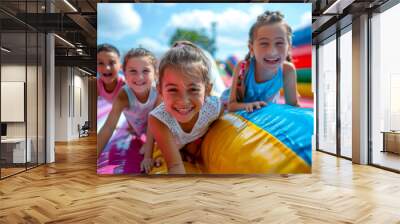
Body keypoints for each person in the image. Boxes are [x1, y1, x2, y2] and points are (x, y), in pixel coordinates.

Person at [148, 41, 224, 174]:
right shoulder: (159, 120)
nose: (183, 101)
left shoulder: (214, 108)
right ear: (160, 90)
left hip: (192, 142)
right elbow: (175, 166)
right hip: (168, 145)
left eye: (193, 89)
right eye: (173, 90)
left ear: (207, 89)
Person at [98, 48, 161, 174]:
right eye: (133, 71)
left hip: (156, 126)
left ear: (155, 74)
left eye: (146, 71)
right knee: (132, 133)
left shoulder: (158, 93)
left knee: (146, 148)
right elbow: (109, 126)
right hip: (137, 126)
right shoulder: (123, 95)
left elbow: (154, 123)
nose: (139, 77)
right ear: (125, 74)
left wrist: (148, 156)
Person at [223, 11, 299, 112]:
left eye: (279, 43)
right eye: (264, 43)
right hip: (229, 105)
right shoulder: (243, 68)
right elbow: (231, 106)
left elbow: (292, 107)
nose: (272, 51)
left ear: (288, 47)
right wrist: (247, 105)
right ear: (251, 48)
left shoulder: (287, 70)